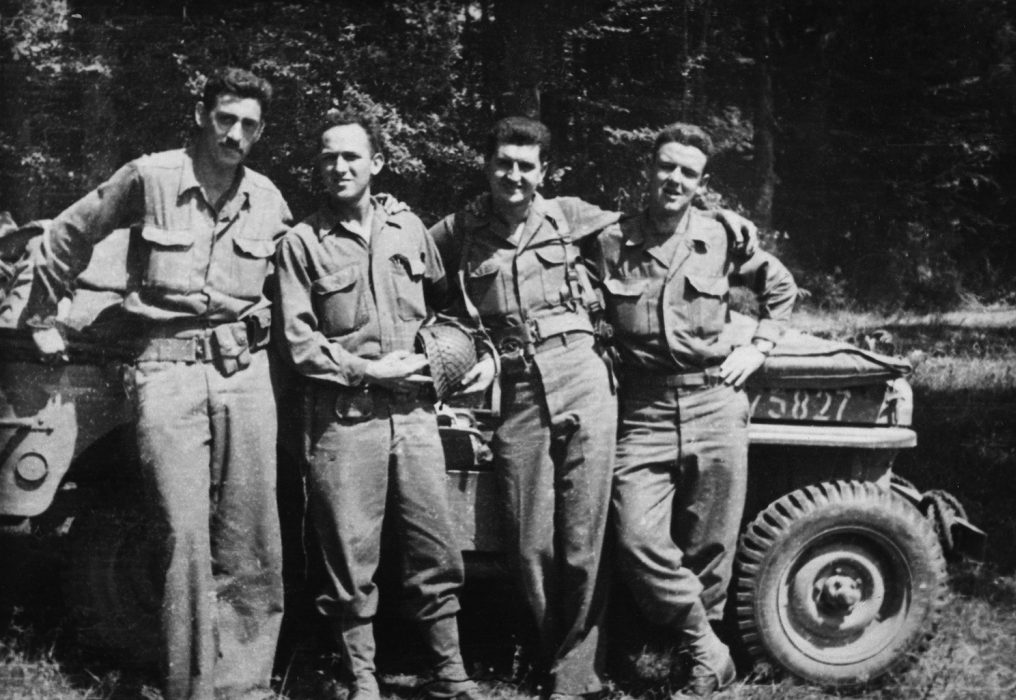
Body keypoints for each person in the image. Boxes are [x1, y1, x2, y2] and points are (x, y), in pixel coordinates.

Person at [24, 68, 291, 699]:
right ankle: (190, 688)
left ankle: (244, 688)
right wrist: (41, 317)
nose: (235, 134)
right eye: (225, 119)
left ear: (260, 133)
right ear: (201, 115)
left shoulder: (268, 199)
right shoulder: (151, 177)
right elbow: (70, 232)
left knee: (251, 537)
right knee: (181, 532)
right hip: (166, 369)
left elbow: (294, 283)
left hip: (243, 373)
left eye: (249, 125)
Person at [273, 109, 487, 700]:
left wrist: (451, 357)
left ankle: (449, 674)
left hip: (414, 417)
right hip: (344, 420)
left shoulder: (408, 229)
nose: (339, 167)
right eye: (328, 157)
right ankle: (360, 679)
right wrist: (366, 368)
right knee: (348, 555)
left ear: (377, 163)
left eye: (351, 156)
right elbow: (297, 341)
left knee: (434, 546)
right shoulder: (301, 244)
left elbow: (445, 303)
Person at [591, 123, 797, 697]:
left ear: (701, 183)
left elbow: (780, 288)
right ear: (648, 169)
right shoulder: (610, 240)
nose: (675, 180)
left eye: (688, 172)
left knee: (710, 545)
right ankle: (709, 647)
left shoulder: (721, 236)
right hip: (644, 408)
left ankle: (698, 667)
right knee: (635, 539)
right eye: (666, 167)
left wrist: (758, 346)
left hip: (714, 401)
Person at [429, 117, 619, 700]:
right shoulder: (458, 231)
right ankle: (551, 651)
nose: (514, 175)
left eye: (526, 165)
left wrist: (726, 226)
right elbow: (406, 267)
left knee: (585, 533)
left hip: (582, 373)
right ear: (486, 165)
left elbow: (649, 231)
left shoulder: (570, 216)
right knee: (528, 539)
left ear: (544, 171)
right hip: (515, 387)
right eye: (504, 163)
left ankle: (575, 674)